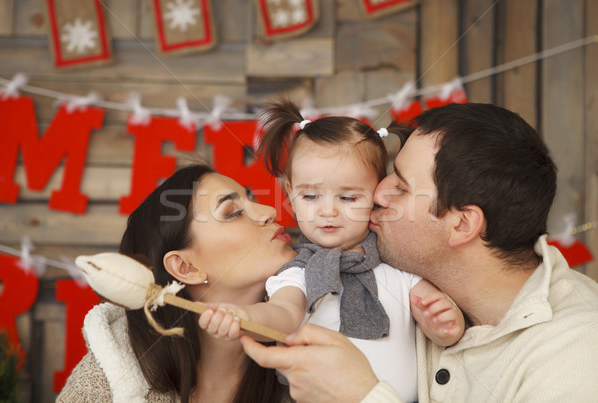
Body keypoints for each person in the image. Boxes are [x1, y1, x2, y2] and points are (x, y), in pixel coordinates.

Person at [240, 102, 598, 402]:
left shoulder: (576, 353)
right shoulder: (416, 289)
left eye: (401, 185)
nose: (378, 195)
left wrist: (363, 395)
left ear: (462, 225)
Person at [199, 100, 465, 401]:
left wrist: (444, 324)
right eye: (310, 195)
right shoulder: (298, 270)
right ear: (290, 193)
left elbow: (436, 313)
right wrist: (243, 318)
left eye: (348, 198)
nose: (327, 211)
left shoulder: (396, 262)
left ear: (377, 193)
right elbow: (283, 313)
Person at [57, 163, 297, 403]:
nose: (269, 211)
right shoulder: (98, 389)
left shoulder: (306, 364)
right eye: (233, 212)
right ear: (186, 268)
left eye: (252, 199)